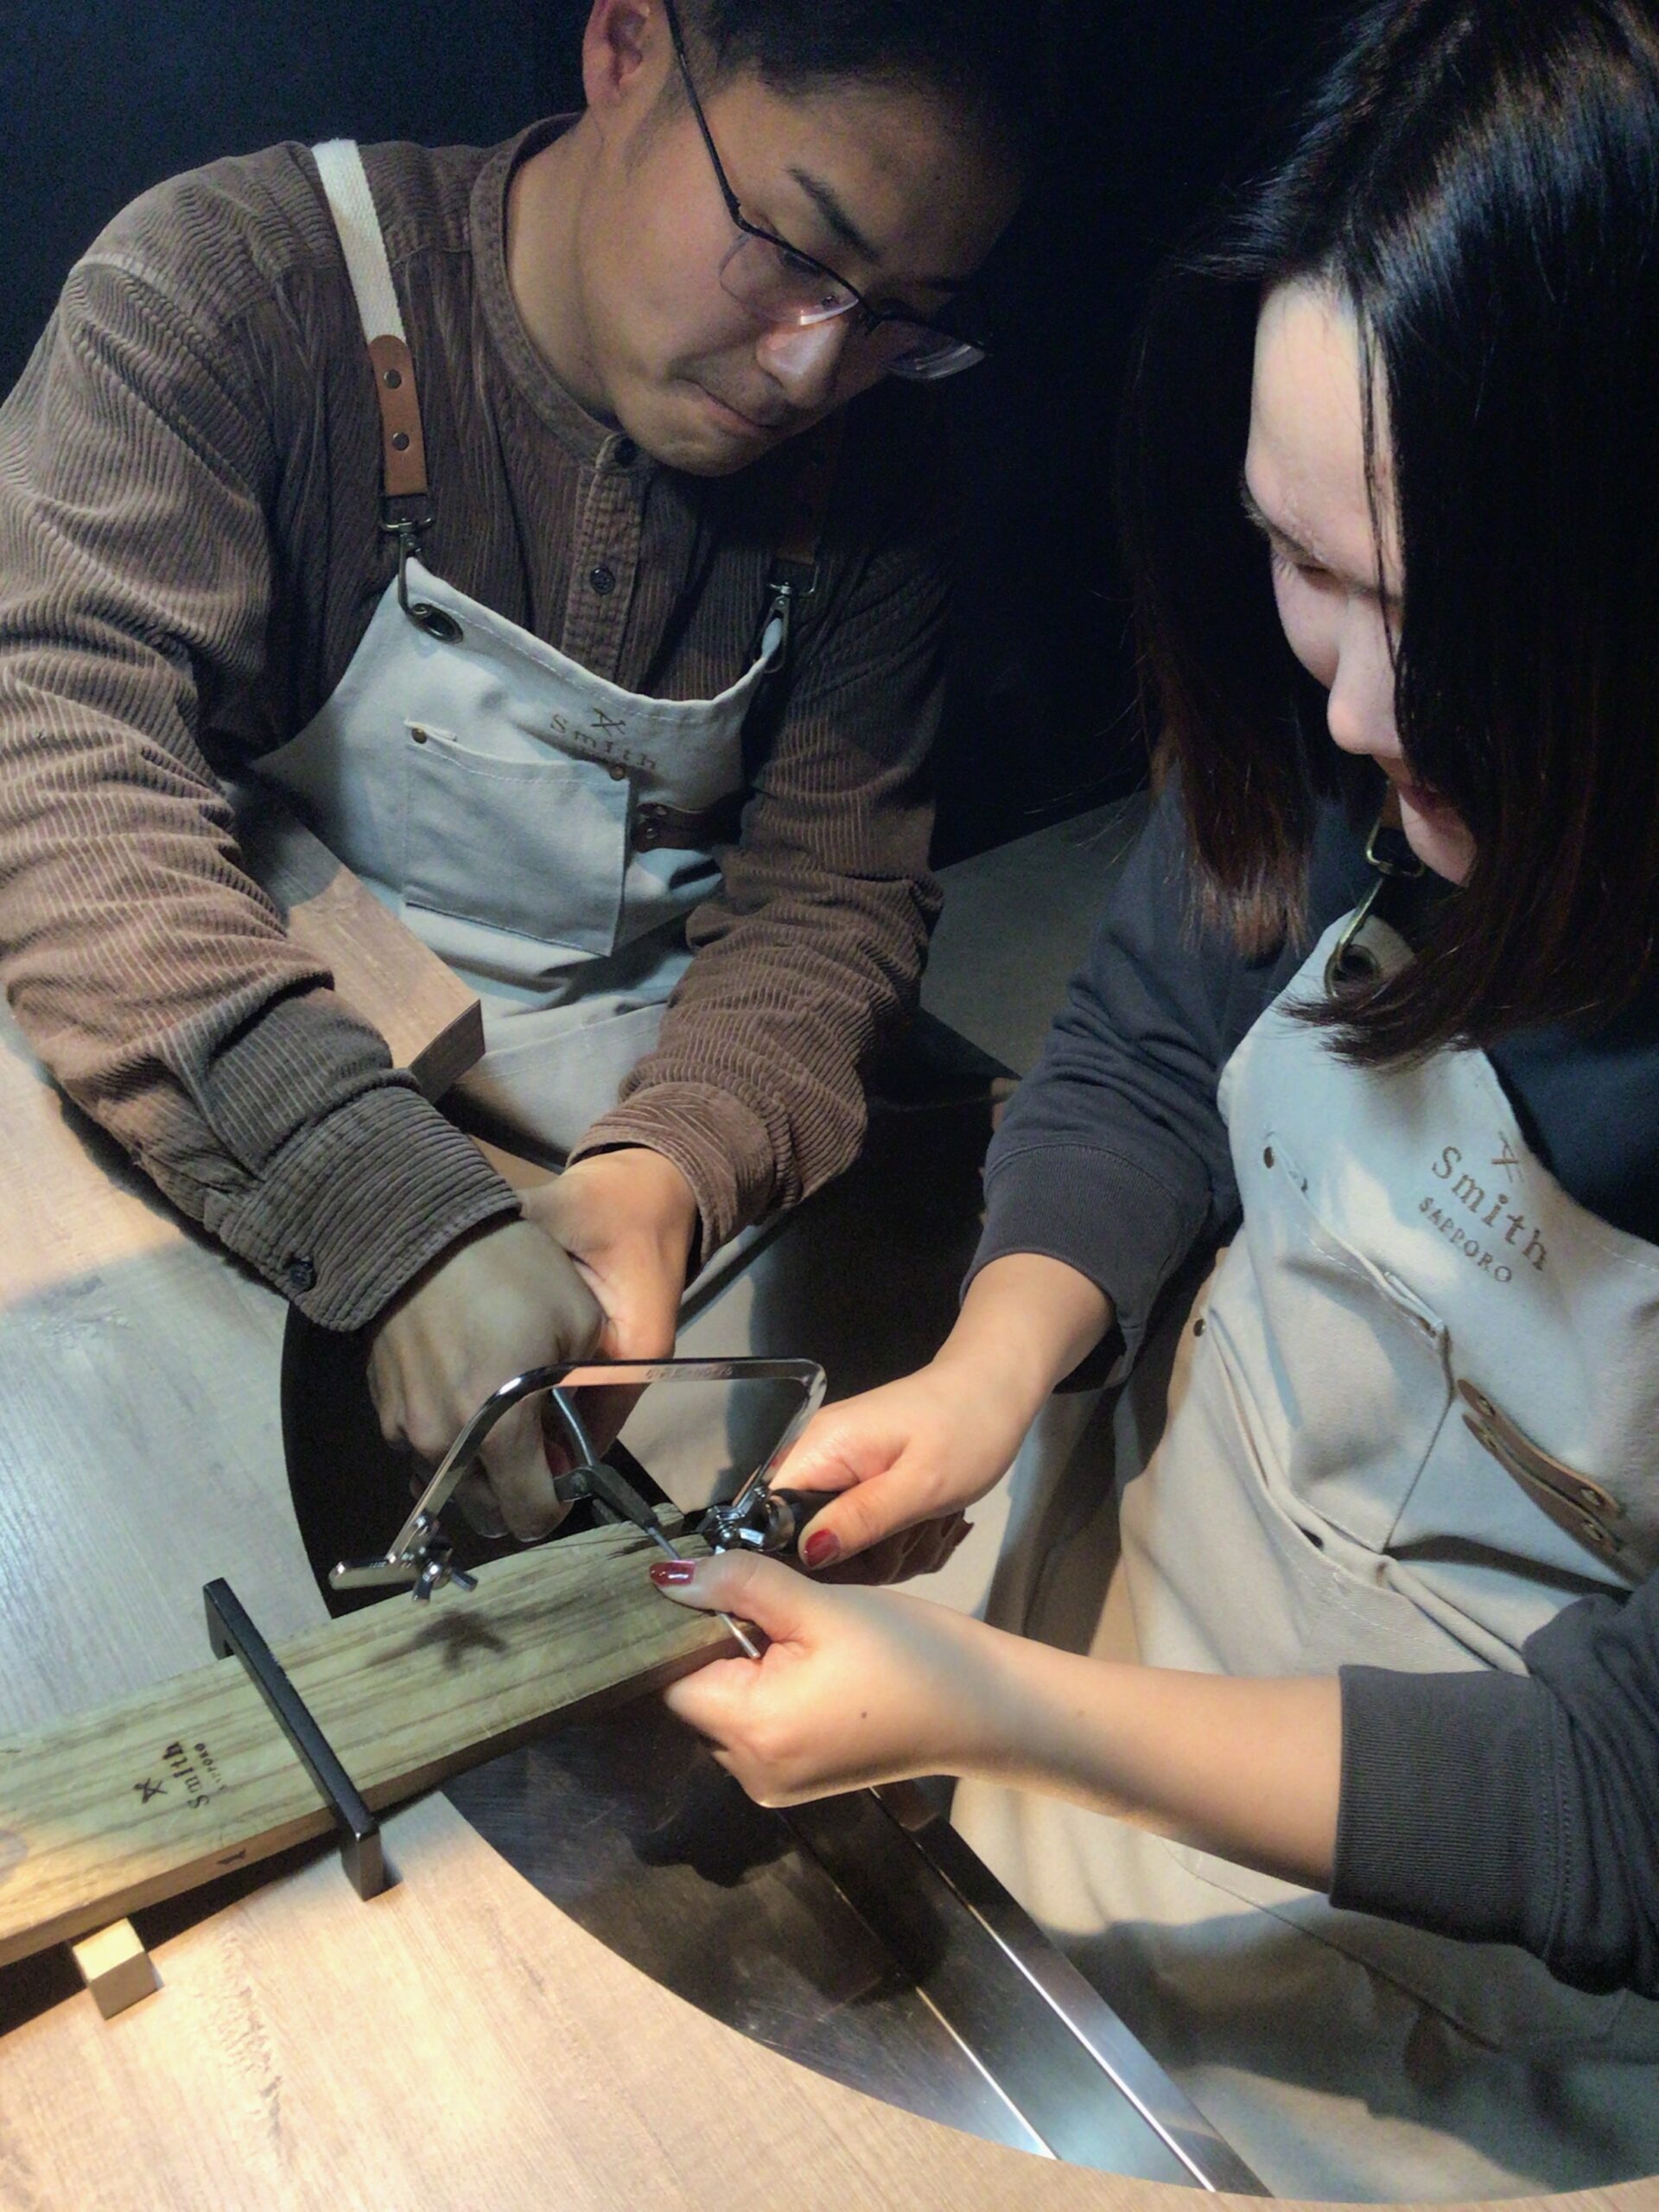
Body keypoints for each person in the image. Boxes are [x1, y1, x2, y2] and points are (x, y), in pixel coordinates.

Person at [651, 0, 1659, 2196]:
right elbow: (1138, 1046)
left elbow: (1619, 1794)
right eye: (1310, 564)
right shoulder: (1341, 734)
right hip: (1097, 1806)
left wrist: (992, 1704)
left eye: (1443, 611)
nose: (1360, 703)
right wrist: (992, 1367)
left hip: (1495, 2054)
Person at [0, 0, 1030, 1536]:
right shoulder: (230, 290)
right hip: (222, 1052)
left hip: (622, 1109)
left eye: (896, 318)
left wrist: (670, 1173)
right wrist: (392, 1206)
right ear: (625, 48)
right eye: (794, 249)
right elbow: (60, 769)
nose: (814, 368)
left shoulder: (881, 481)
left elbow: (834, 898)